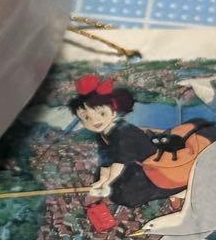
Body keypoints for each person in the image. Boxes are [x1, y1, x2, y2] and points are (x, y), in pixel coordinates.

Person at [68, 75, 181, 210]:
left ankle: (174, 192)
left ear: (114, 111)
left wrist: (107, 183)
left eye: (102, 114)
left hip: (153, 167)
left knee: (126, 194)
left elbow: (120, 162)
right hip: (132, 164)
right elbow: (106, 160)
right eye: (86, 117)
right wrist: (102, 180)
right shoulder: (103, 133)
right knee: (103, 177)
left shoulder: (123, 132)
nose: (94, 121)